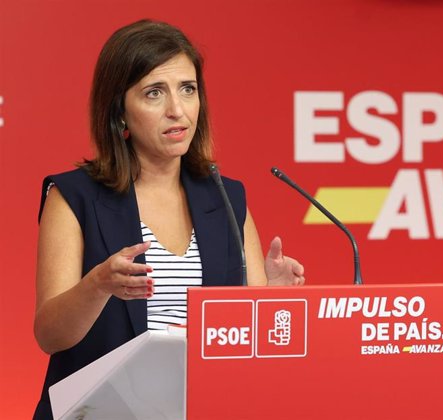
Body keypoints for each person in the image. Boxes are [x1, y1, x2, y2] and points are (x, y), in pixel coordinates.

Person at [32, 19, 305, 419]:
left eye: (188, 90)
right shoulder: (75, 197)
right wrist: (97, 286)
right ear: (119, 111)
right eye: (154, 93)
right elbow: (50, 335)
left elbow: (242, 342)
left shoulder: (226, 198)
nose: (177, 110)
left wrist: (265, 297)